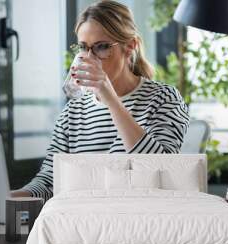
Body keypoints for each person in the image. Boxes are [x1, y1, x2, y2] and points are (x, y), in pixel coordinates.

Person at [11, 0, 190, 201]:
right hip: (84, 220)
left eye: (101, 47)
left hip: (140, 217)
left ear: (130, 46)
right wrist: (13, 197)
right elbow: (50, 180)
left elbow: (163, 171)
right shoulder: (73, 112)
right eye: (83, 47)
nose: (89, 58)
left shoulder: (163, 98)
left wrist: (111, 99)